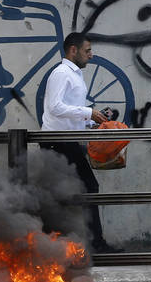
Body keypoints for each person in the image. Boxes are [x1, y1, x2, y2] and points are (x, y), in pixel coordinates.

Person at [41, 32, 118, 254]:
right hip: (57, 143)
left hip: (66, 142)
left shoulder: (74, 75)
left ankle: (70, 246)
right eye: (87, 51)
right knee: (86, 188)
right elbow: (55, 107)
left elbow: (68, 113)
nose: (91, 55)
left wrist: (92, 122)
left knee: (62, 194)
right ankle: (96, 245)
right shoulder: (61, 73)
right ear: (73, 50)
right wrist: (88, 112)